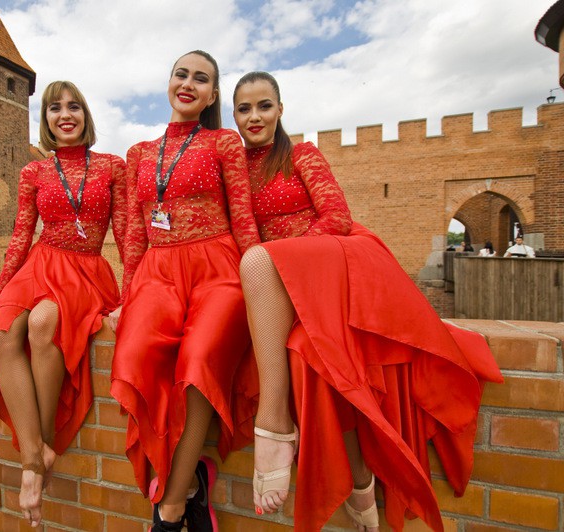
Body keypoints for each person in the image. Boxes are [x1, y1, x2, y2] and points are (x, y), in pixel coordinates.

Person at [232, 71, 503, 532]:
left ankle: (274, 425)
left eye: (264, 106)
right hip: (276, 279)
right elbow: (243, 236)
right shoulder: (235, 169)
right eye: (244, 108)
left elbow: (337, 214)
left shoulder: (302, 155)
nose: (255, 116)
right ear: (234, 116)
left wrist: (297, 266)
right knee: (313, 358)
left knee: (264, 267)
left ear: (281, 111)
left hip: (329, 261)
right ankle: (359, 481)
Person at [109, 50, 260, 532]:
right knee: (132, 355)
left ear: (213, 95)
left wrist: (262, 285)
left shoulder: (223, 143)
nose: (189, 84)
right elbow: (134, 231)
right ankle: (193, 479)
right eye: (182, 74)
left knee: (197, 364)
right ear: (169, 82)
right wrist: (128, 293)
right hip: (157, 271)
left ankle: (170, 510)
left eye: (202, 79)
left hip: (217, 268)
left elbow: (244, 218)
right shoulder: (138, 154)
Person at [0, 81, 126, 529]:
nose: (64, 115)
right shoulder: (34, 173)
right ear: (45, 119)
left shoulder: (112, 166)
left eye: (73, 107)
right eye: (54, 108)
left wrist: (137, 293)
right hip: (39, 263)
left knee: (44, 324)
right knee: (4, 331)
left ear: (85, 115)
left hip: (85, 270)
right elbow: (20, 235)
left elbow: (126, 236)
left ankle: (35, 456)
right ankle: (35, 454)